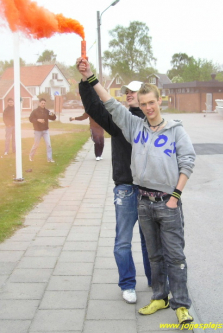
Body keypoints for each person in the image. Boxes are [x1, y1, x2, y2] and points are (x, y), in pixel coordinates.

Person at [77, 59, 196, 325]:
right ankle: (152, 293)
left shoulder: (173, 129)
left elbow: (187, 161)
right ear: (137, 104)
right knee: (144, 250)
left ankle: (178, 302)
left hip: (166, 200)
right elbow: (107, 104)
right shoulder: (132, 125)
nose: (147, 107)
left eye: (150, 102)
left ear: (158, 101)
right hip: (138, 197)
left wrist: (175, 197)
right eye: (142, 103)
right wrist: (90, 78)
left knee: (171, 253)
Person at [77, 69, 151, 304]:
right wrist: (83, 80)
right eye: (127, 91)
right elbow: (94, 106)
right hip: (126, 189)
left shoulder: (152, 123)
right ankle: (128, 284)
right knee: (122, 241)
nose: (129, 93)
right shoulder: (119, 121)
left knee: (151, 240)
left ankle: (156, 280)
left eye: (134, 91)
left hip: (150, 190)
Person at [29, 98, 56, 162]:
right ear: (39, 103)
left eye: (44, 103)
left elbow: (53, 118)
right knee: (36, 145)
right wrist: (38, 120)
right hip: (37, 130)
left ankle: (49, 159)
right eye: (42, 103)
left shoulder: (47, 111)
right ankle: (31, 156)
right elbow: (30, 119)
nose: (43, 104)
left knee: (48, 144)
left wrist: (53, 115)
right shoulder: (35, 111)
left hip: (45, 130)